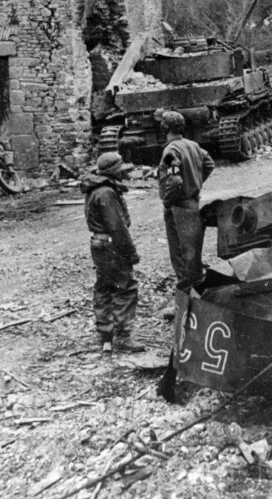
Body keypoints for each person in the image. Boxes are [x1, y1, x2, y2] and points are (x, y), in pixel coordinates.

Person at [82, 152, 144, 353]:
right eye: (119, 167)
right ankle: (123, 336)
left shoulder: (96, 189)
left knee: (104, 286)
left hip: (99, 244)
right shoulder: (106, 193)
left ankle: (105, 333)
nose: (122, 170)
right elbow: (117, 227)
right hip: (111, 245)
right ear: (112, 170)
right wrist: (131, 253)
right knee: (125, 287)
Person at [157, 110, 215, 298]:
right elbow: (209, 164)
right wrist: (196, 183)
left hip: (178, 206)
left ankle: (187, 297)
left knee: (181, 254)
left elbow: (174, 181)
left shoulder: (170, 151)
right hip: (192, 203)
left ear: (164, 128)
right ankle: (198, 291)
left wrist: (167, 201)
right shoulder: (193, 145)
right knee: (192, 250)